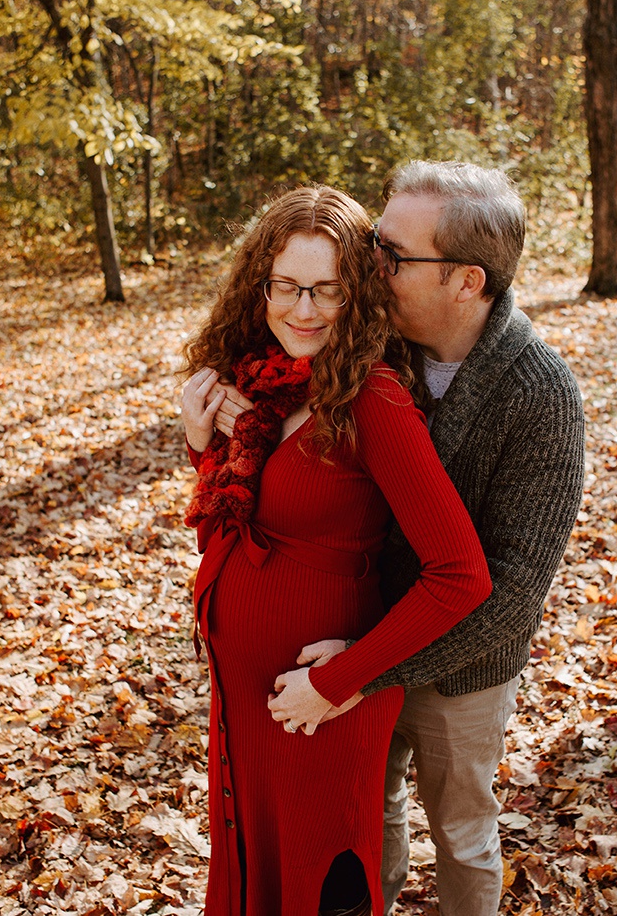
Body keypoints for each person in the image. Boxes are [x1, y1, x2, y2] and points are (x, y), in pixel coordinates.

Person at [242, 162, 584, 916]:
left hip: (460, 666)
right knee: (370, 817)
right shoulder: (375, 346)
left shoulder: (540, 392)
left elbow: (513, 589)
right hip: (359, 636)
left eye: (391, 255)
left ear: (466, 280)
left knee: (461, 831)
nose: (369, 265)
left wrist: (372, 670)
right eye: (374, 243)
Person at [179, 185, 492, 916]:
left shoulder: (371, 398)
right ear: (261, 283)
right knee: (260, 874)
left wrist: (340, 679)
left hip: (317, 711)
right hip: (248, 707)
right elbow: (237, 524)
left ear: (358, 292)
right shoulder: (271, 385)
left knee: (323, 889)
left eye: (328, 289)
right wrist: (202, 445)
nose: (306, 309)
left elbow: (462, 574)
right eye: (287, 285)